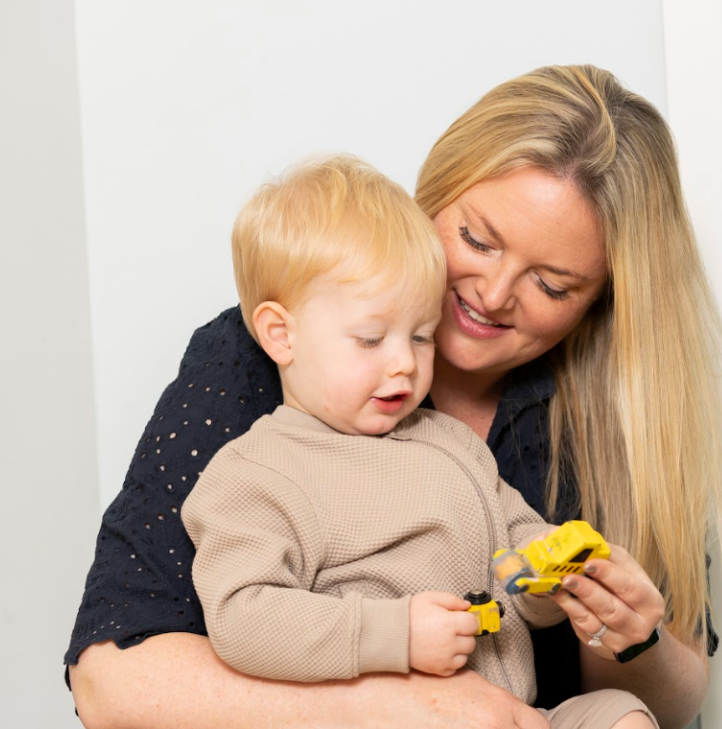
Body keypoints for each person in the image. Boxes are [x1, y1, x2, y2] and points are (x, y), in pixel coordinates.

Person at [66, 64, 722, 729]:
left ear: (600, 302)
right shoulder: (259, 406)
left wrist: (605, 612)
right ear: (432, 198)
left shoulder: (488, 439)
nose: (493, 292)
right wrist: (396, 698)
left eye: (553, 284)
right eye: (477, 239)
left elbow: (530, 569)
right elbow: (120, 675)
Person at [180, 154, 656, 729]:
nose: (404, 363)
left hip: (515, 712)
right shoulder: (256, 473)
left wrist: (553, 572)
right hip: (381, 719)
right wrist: (395, 636)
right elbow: (243, 618)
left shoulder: (450, 443)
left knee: (620, 715)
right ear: (282, 334)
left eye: (423, 335)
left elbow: (514, 551)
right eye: (372, 338)